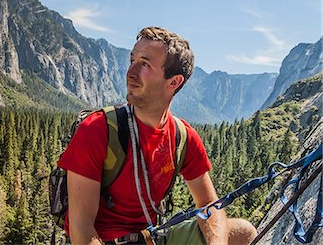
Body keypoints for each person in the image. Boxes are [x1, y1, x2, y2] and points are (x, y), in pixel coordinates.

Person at [58, 26, 257, 244]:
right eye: (132, 60)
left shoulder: (182, 137)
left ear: (174, 82)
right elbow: (82, 231)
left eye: (144, 64)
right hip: (102, 240)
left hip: (149, 239)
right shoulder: (97, 129)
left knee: (242, 232)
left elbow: (209, 205)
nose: (130, 72)